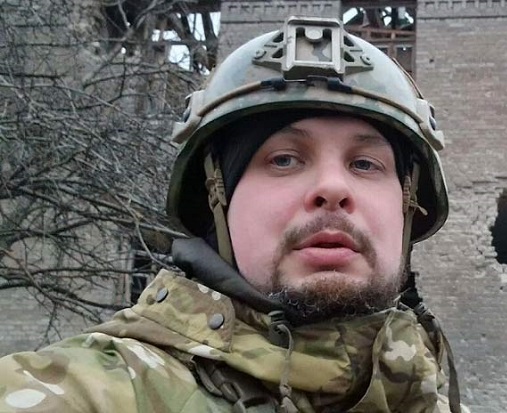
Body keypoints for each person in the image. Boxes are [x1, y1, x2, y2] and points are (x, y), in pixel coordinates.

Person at [0, 16, 468, 412]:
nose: (332, 188)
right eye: (284, 159)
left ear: (409, 205)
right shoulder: (83, 393)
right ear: (216, 200)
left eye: (365, 164)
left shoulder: (433, 398)